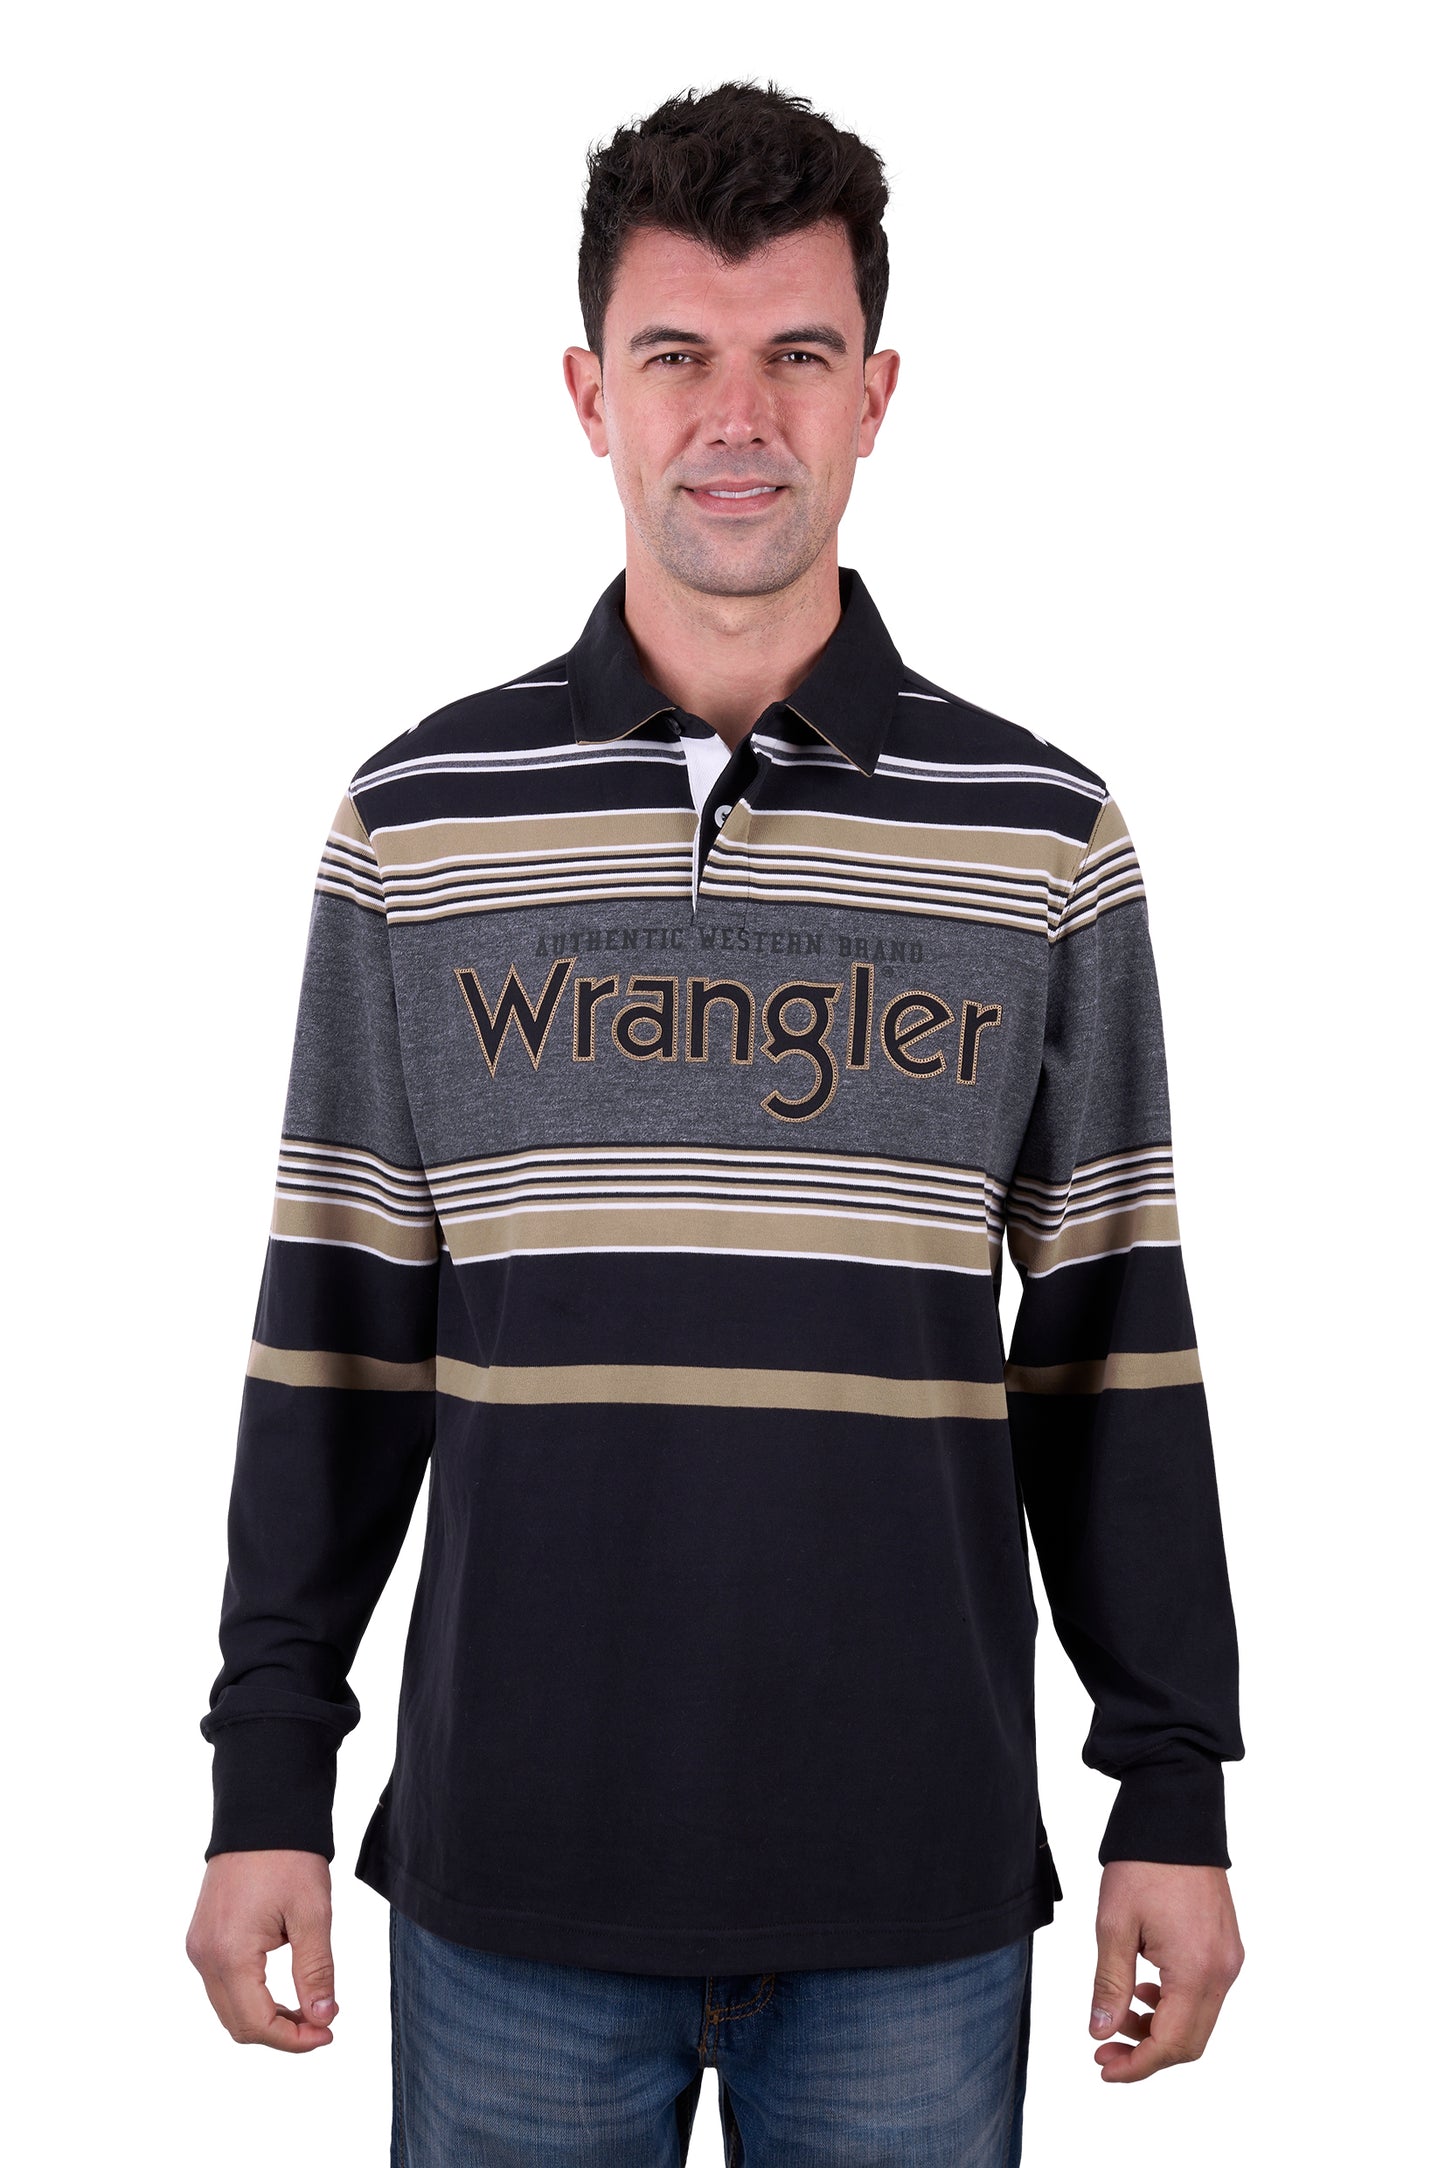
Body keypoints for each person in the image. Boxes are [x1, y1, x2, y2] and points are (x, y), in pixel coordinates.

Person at [186, 79, 1245, 2166]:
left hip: (915, 1885)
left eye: (798, 355)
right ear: (591, 393)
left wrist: (1174, 1791)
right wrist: (263, 1782)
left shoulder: (1040, 837)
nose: (736, 414)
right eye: (676, 354)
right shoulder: (421, 822)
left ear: (877, 397)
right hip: (510, 1878)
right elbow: (332, 1341)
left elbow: (1113, 1352)